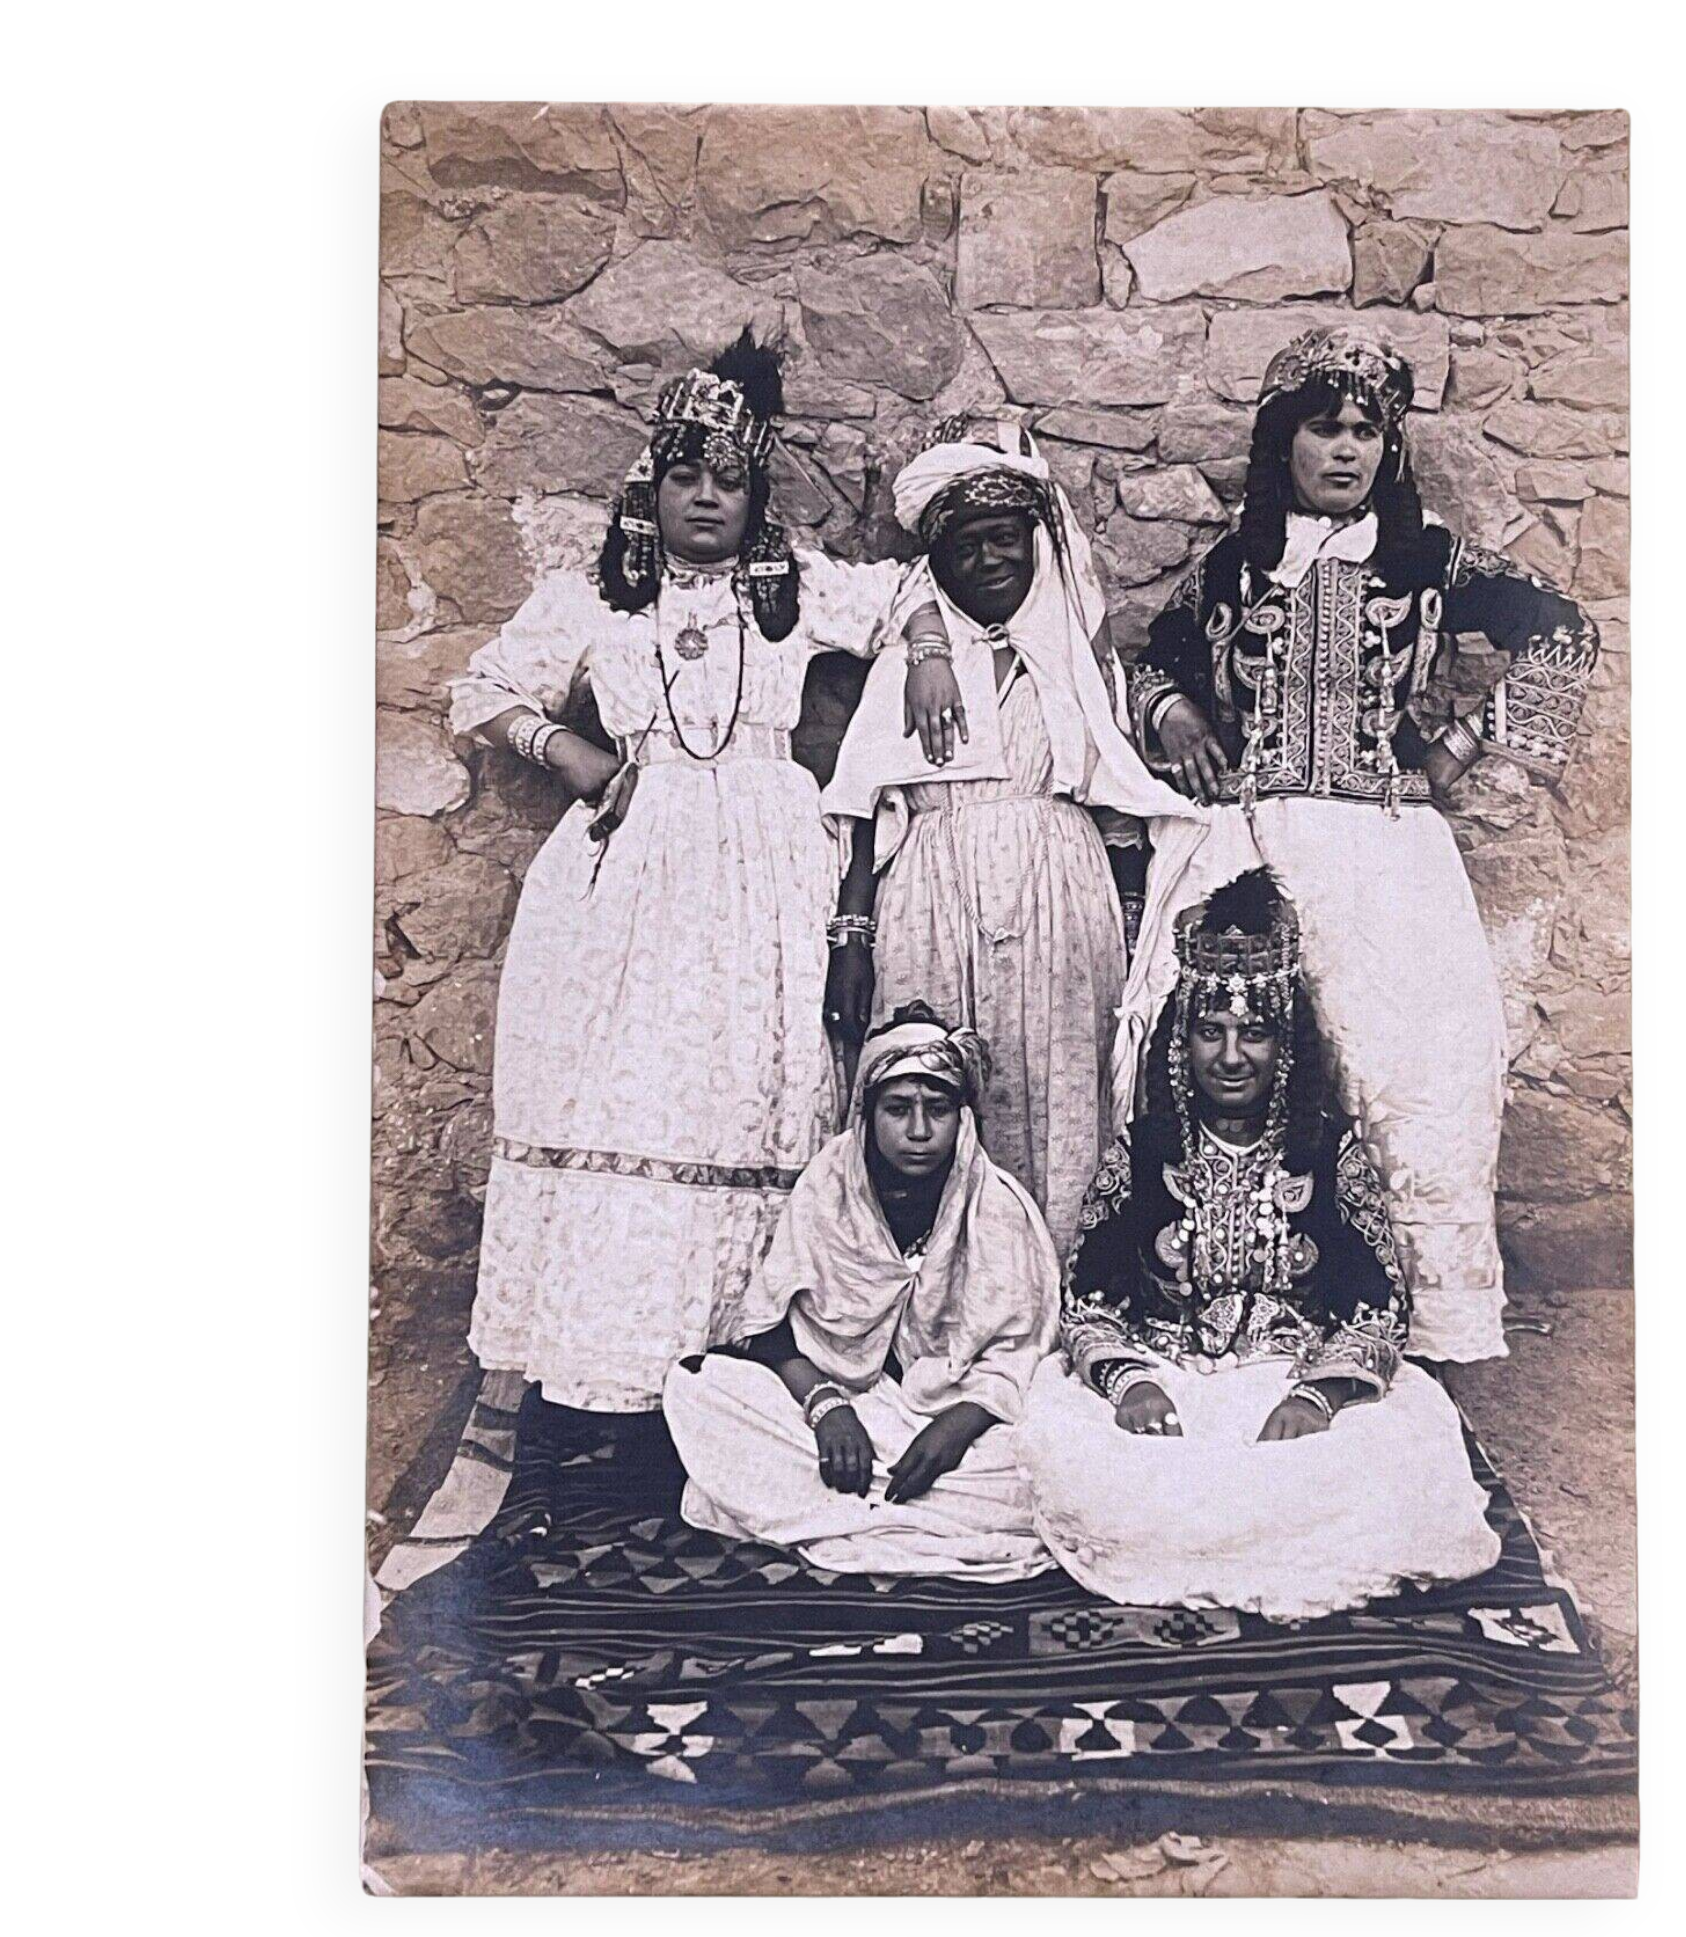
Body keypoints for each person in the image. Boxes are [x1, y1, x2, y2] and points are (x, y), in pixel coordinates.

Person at [445, 333, 955, 1415]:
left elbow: (913, 587)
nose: (707, 499)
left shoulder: (797, 589)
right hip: (624, 877)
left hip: (766, 876)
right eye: (686, 476)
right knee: (627, 1093)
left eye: (729, 479)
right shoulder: (597, 602)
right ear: (652, 486)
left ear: (754, 492)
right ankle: (605, 1371)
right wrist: (568, 751)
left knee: (748, 1097)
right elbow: (478, 688)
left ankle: (735, 1370)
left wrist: (929, 657)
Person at [1112, 329, 1601, 1365]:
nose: (1344, 451)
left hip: (1390, 860)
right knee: (1243, 1063)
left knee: (1409, 1073)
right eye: (1321, 428)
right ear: (1279, 440)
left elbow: (1561, 627)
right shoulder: (1236, 566)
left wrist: (1460, 744)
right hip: (1256, 845)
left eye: (1364, 431)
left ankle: (1409, 1332)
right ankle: (1244, 1317)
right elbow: (1149, 657)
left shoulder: (1423, 555)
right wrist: (1174, 720)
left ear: (1388, 445)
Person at [1015, 870, 1503, 1619]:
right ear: (1182, 1042)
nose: (1232, 1055)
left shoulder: (1325, 1151)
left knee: (1405, 1457)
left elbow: (1378, 1310)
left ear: (1287, 1042)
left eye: (1255, 1032)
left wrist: (1319, 1394)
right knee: (1083, 1462)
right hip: (1165, 1380)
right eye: (1211, 1031)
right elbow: (1088, 1300)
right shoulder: (1145, 1152)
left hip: (1293, 1383)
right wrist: (1130, 1384)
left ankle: (1220, 1543)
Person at [820, 418, 1198, 1254]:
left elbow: (1119, 801)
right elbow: (866, 811)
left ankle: (1060, 1283)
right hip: (931, 886)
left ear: (1036, 544)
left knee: (1059, 1082)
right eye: (966, 548)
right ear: (939, 565)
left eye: (1005, 540)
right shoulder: (909, 665)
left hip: (1058, 891)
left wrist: (1134, 928)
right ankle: (929, 1288)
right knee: (933, 1093)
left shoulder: (1071, 664)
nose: (990, 561)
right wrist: (851, 939)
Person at [663, 1006, 1058, 1580]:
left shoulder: (996, 1204)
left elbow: (1026, 1350)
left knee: (1044, 1448)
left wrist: (957, 1426)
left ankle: (849, 1509)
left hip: (956, 1419)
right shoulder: (829, 1185)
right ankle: (914, 1515)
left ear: (963, 1118)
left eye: (938, 1110)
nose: (919, 1132)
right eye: (898, 1110)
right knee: (702, 1387)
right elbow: (769, 1330)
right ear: (868, 1116)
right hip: (840, 1401)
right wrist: (826, 1408)